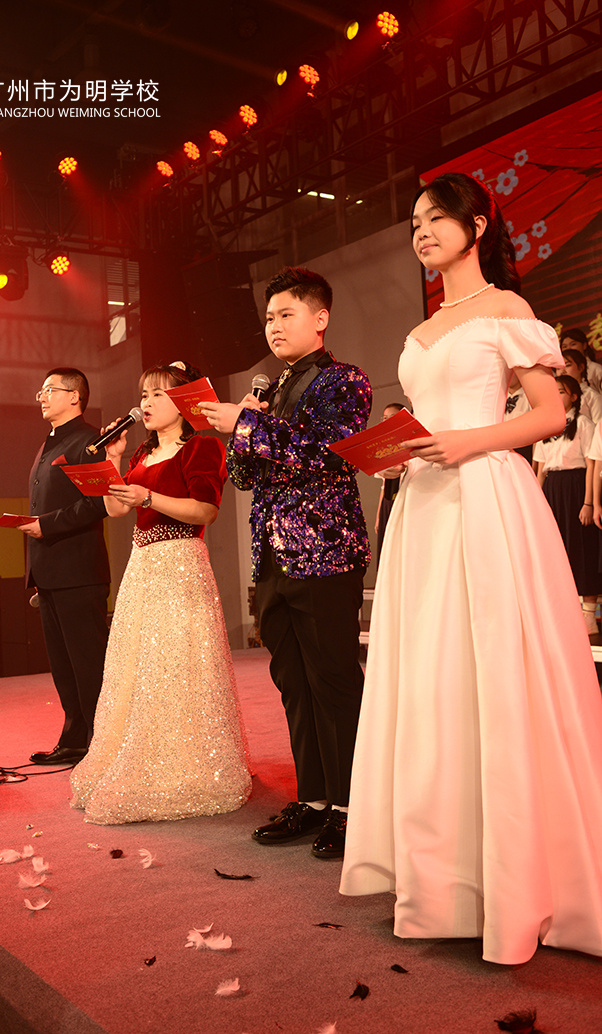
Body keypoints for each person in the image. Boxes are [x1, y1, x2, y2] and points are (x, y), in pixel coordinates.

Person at [340, 172, 602, 965]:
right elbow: (428, 424)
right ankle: (447, 882)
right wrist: (397, 454)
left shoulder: (507, 310)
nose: (421, 232)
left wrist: (466, 442)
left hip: (486, 497)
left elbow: (551, 414)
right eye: (415, 222)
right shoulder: (422, 331)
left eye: (436, 218)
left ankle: (517, 882)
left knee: (495, 672)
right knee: (433, 680)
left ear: (478, 225)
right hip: (422, 506)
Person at [201, 267, 372, 859]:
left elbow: (330, 454)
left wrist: (248, 423)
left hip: (325, 554)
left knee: (334, 680)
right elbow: (245, 477)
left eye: (286, 314)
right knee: (293, 683)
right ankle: (316, 799)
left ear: (320, 319)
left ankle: (353, 807)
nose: (273, 326)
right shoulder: (270, 390)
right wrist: (244, 427)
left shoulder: (345, 381)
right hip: (273, 557)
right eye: (269, 317)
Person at [70, 361, 251, 824]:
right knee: (138, 669)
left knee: (176, 667)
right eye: (143, 395)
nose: (145, 403)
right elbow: (115, 509)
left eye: (157, 394)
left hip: (180, 564)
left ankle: (185, 765)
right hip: (142, 566)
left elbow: (205, 511)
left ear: (184, 402)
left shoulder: (203, 446)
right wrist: (113, 460)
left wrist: (148, 498)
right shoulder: (141, 453)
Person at [21, 368, 110, 766]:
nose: (41, 396)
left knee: (88, 663)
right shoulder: (49, 442)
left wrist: (47, 525)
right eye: (41, 391)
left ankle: (103, 743)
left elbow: (98, 502)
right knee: (62, 666)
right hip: (49, 572)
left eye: (50, 390)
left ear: (75, 396)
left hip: (79, 571)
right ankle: (75, 738)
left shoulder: (89, 441)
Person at [534, 375, 600, 635]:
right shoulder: (546, 426)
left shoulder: (583, 423)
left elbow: (591, 464)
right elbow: (540, 469)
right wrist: (536, 501)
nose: (557, 395)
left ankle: (589, 614)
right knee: (555, 548)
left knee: (582, 545)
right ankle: (563, 611)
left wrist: (588, 502)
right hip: (553, 486)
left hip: (576, 485)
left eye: (561, 391)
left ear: (574, 396)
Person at [373, 402, 406, 567]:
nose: (387, 421)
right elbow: (383, 484)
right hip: (388, 500)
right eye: (385, 418)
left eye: (392, 417)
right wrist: (379, 514)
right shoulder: (385, 446)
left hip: (405, 498)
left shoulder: (409, 441)